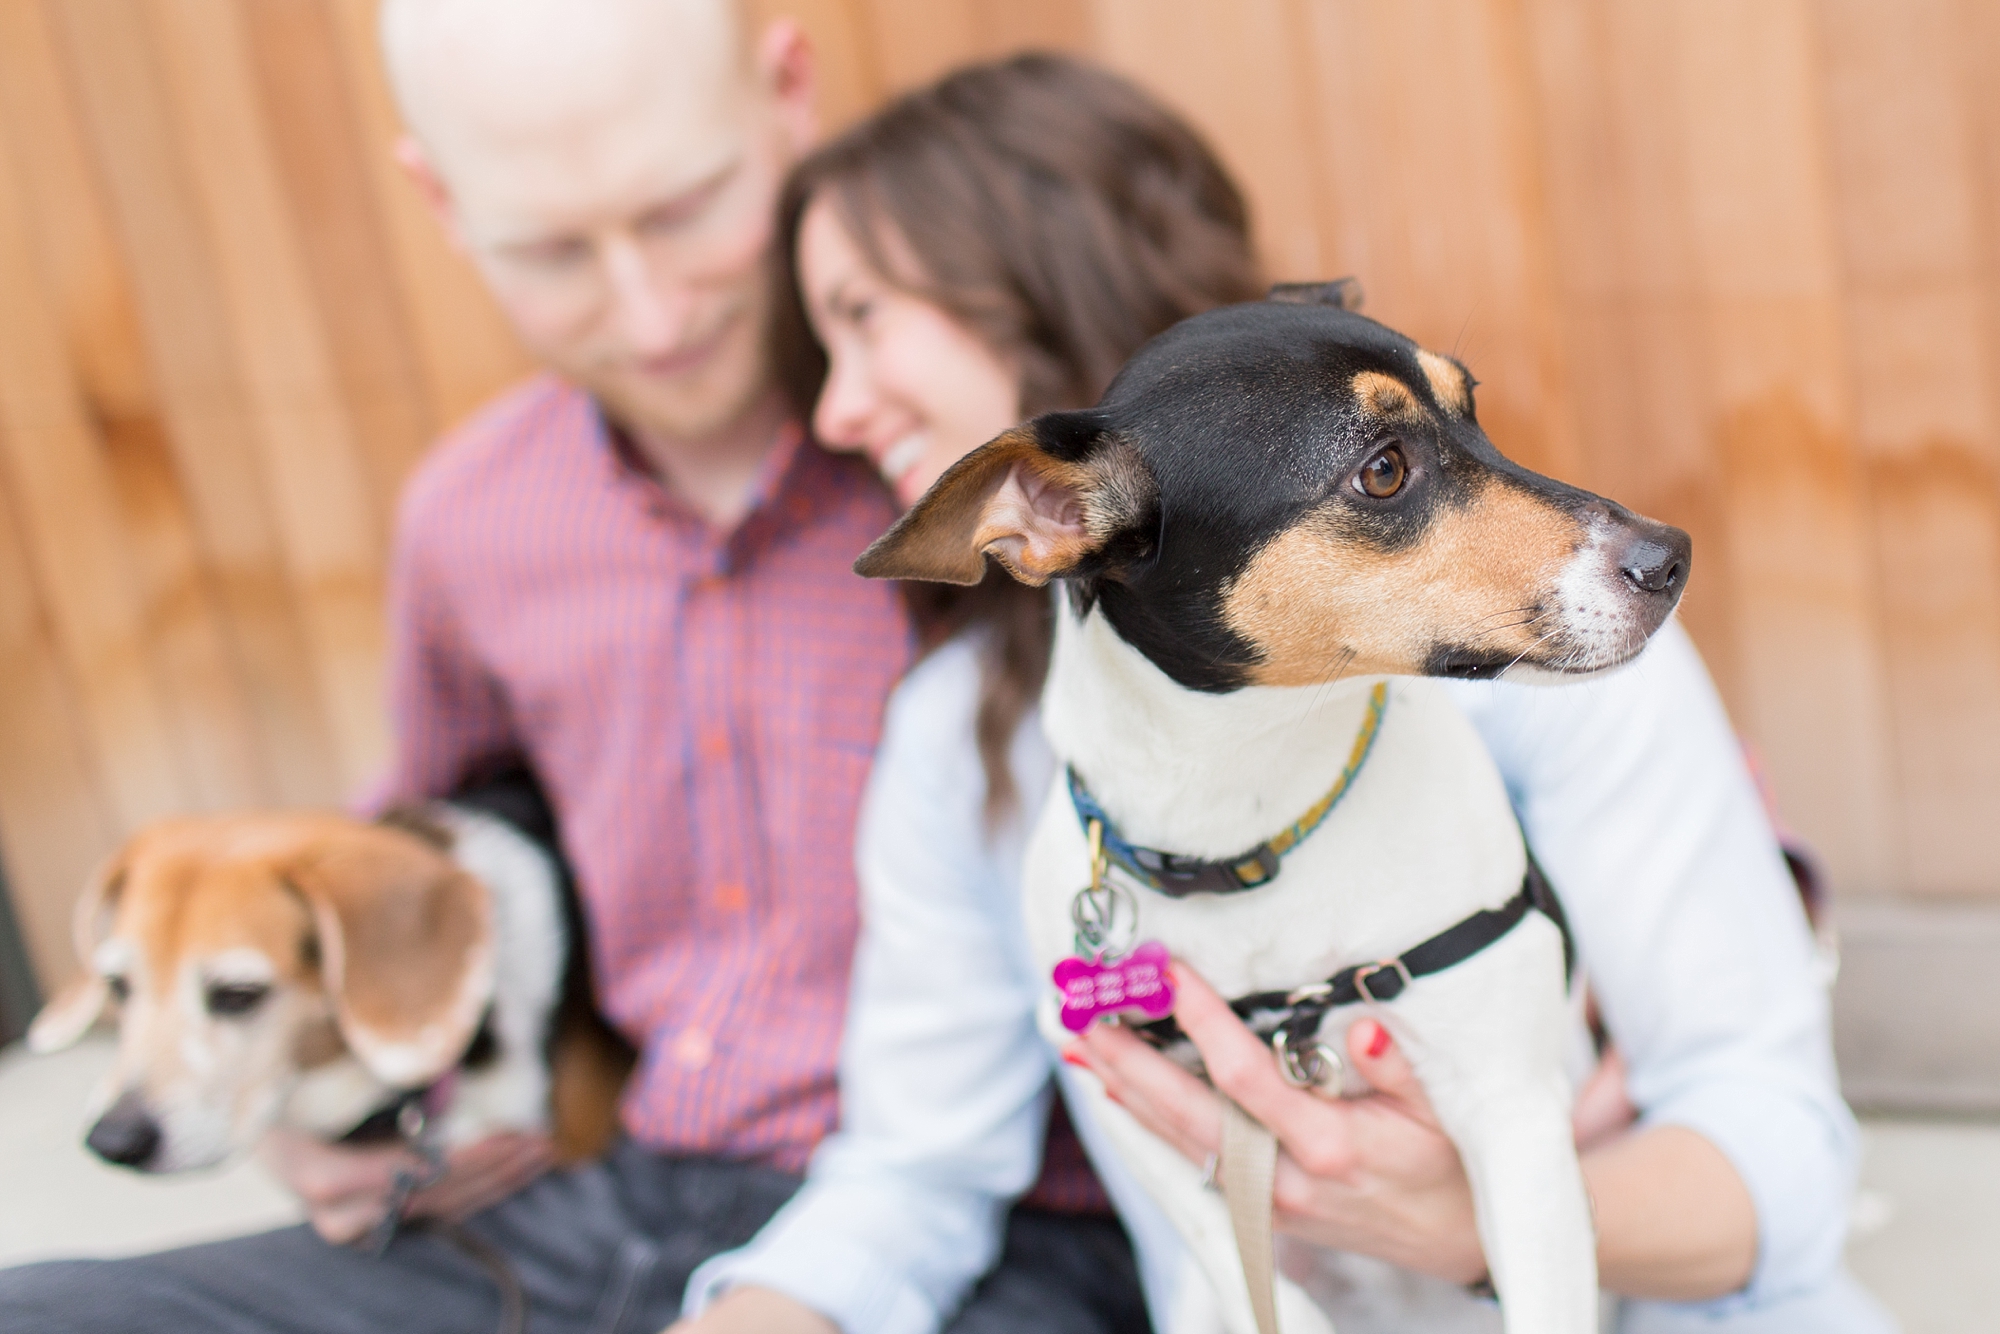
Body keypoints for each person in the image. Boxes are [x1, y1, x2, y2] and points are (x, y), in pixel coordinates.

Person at [677, 52, 1899, 1334]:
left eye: (863, 316)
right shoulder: (957, 745)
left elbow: (1779, 1150)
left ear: (1036, 286)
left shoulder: (1530, 645)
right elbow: (914, 1176)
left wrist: (1460, 1216)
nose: (833, 409)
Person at [0, 7, 1122, 1334]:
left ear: (787, 91)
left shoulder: (963, 451)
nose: (648, 312)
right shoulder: (472, 520)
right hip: (599, 1195)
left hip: (1000, 1231)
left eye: (687, 209)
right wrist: (326, 1096)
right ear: (442, 202)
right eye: (551, 250)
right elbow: (405, 870)